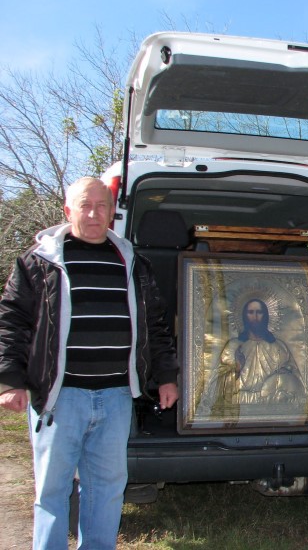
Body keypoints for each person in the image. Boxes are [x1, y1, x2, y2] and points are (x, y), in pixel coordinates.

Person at [0, 177, 179, 550]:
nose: (94, 214)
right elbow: (12, 322)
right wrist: (11, 381)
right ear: (68, 210)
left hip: (116, 397)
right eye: (85, 205)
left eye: (102, 206)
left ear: (112, 213)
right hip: (59, 397)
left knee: (107, 488)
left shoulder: (134, 263)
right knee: (52, 490)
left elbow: (156, 325)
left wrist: (166, 376)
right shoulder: (39, 262)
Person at [218, 298, 304, 405]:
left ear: (266, 316)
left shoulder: (279, 348)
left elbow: (296, 382)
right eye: (250, 312)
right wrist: (237, 369)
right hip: (240, 402)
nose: (255, 317)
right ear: (244, 316)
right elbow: (218, 385)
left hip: (272, 404)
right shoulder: (233, 347)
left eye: (259, 312)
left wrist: (282, 377)